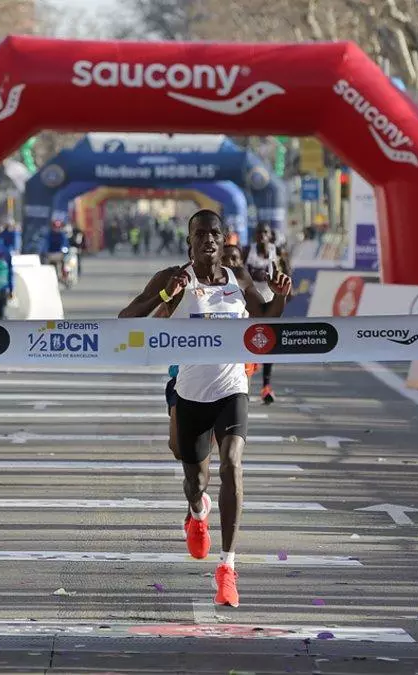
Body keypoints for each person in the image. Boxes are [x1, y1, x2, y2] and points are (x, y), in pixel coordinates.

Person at [118, 210, 292, 609]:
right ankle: (197, 513)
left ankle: (227, 568)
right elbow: (127, 320)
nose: (209, 240)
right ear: (189, 242)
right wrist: (166, 297)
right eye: (200, 234)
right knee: (195, 481)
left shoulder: (237, 278)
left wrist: (280, 295)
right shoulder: (172, 278)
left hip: (232, 389)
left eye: (215, 233)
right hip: (191, 394)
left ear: (223, 239)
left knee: (232, 464)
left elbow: (266, 320)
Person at [242, 224, 288, 403]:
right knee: (248, 341)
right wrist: (254, 274)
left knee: (270, 343)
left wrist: (285, 290)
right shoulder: (248, 251)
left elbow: (287, 271)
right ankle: (245, 381)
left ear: (270, 236)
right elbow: (239, 270)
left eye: (265, 232)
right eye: (259, 232)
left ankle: (266, 387)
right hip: (250, 303)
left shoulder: (277, 252)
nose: (262, 235)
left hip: (270, 303)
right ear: (255, 235)